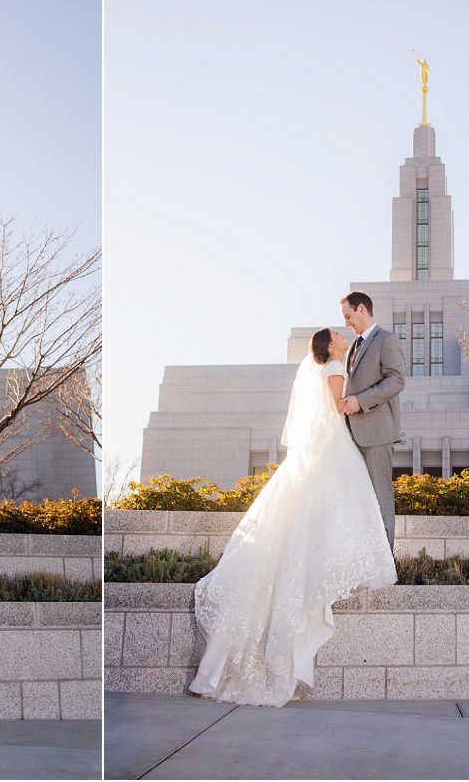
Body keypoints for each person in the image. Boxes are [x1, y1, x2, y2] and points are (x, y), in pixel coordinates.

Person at [189, 327, 397, 707]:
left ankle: (217, 670)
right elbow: (337, 406)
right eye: (338, 331)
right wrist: (356, 401)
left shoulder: (321, 365)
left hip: (318, 448)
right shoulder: (335, 364)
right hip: (333, 447)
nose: (343, 331)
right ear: (331, 345)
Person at [338, 291, 406, 547]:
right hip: (352, 435)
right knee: (360, 499)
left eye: (348, 316)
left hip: (377, 433)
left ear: (362, 309)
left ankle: (386, 561)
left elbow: (397, 380)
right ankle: (366, 558)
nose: (346, 323)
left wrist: (360, 401)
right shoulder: (351, 348)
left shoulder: (386, 340)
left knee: (380, 498)